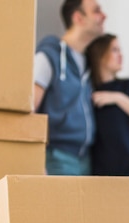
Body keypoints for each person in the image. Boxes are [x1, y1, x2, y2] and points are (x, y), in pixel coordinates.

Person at [85, 34, 129, 210]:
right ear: (99, 55)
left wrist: (118, 98)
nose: (120, 55)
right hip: (103, 180)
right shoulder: (88, 94)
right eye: (115, 50)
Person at [33, 0, 106, 175]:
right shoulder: (49, 56)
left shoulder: (88, 62)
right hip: (57, 158)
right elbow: (31, 109)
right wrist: (36, 160)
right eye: (96, 11)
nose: (104, 16)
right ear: (78, 18)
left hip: (85, 159)